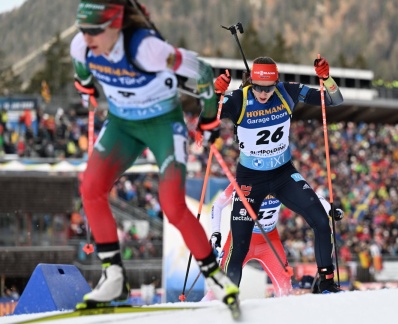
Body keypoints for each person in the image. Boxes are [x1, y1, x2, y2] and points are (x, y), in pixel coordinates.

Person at [69, 0, 238, 308]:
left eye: (96, 29)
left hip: (162, 124)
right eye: (83, 29)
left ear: (117, 24)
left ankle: (215, 275)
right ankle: (114, 278)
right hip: (122, 124)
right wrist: (86, 88)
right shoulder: (81, 46)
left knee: (172, 205)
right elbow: (82, 71)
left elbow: (201, 70)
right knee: (91, 188)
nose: (88, 37)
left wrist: (209, 116)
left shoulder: (147, 49)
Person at [198, 56, 344, 293]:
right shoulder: (239, 100)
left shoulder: (287, 92)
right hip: (250, 180)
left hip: (283, 174)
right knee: (239, 245)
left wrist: (326, 79)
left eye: (268, 88)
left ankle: (326, 283)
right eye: (257, 87)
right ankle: (229, 297)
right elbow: (206, 116)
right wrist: (215, 94)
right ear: (251, 83)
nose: (263, 93)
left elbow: (334, 99)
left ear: (276, 84)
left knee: (319, 219)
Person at [202, 183, 343, 300]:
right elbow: (217, 205)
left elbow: (309, 194)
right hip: (239, 240)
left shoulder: (278, 180)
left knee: (285, 290)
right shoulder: (242, 180)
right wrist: (216, 232)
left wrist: (330, 209)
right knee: (221, 287)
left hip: (269, 242)